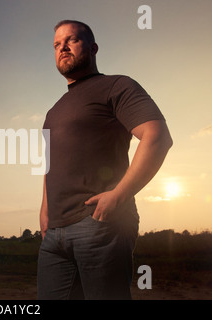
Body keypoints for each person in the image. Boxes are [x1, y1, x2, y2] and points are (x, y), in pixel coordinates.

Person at [37, 20, 173, 300]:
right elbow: (50, 162)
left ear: (93, 47)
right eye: (56, 44)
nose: (62, 47)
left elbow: (157, 136)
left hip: (99, 225)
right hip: (54, 236)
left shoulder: (115, 86)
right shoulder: (54, 110)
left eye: (71, 40)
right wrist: (45, 210)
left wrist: (119, 195)